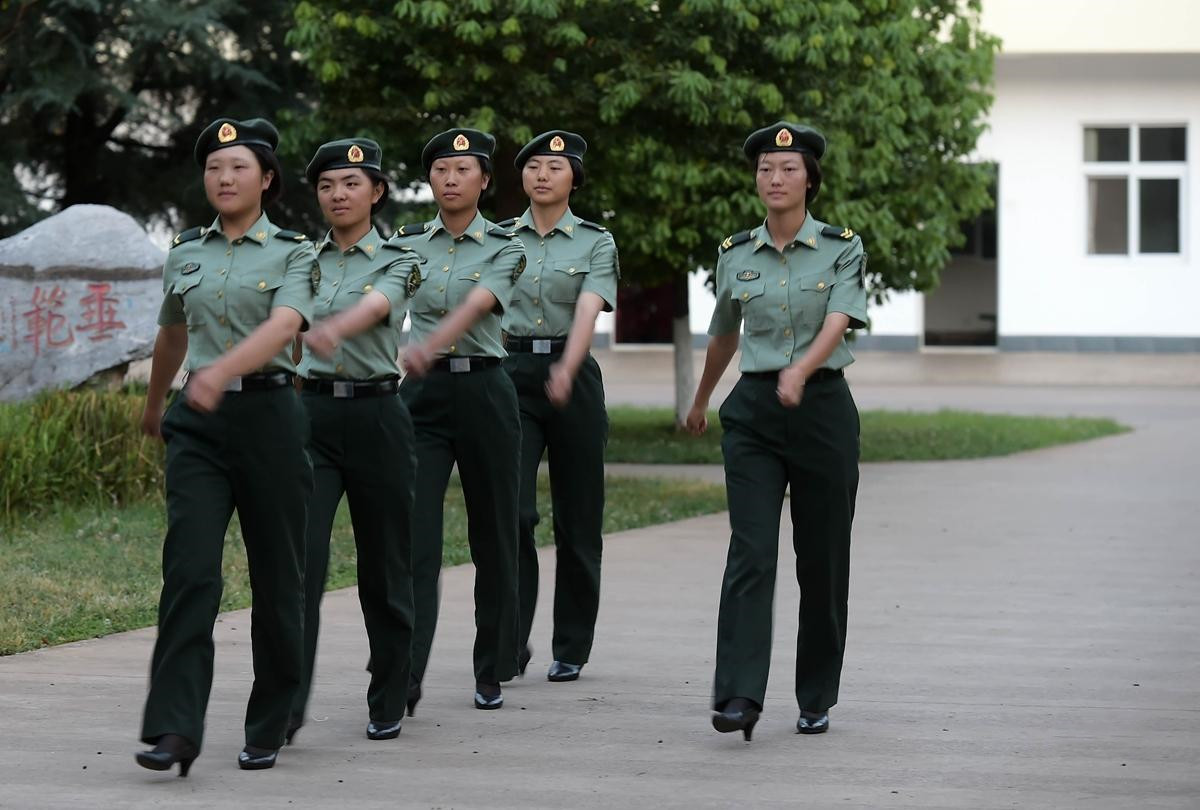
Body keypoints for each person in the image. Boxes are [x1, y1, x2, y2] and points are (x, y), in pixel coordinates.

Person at [136, 117, 317, 774]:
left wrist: (222, 369)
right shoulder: (185, 251)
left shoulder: (296, 252)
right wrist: (157, 405)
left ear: (266, 179)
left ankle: (269, 721)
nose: (224, 178)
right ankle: (174, 729)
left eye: (238, 167)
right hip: (198, 428)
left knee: (277, 580)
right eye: (214, 167)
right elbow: (173, 336)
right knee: (190, 574)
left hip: (270, 416)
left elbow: (286, 326)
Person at [686, 122, 868, 740]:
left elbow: (841, 317)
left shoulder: (842, 246)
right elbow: (724, 331)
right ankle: (737, 694)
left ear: (810, 179)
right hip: (755, 415)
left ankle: (815, 694)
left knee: (821, 561)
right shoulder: (736, 252)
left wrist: (803, 369)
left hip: (821, 412)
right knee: (751, 552)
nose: (775, 179)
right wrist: (702, 398)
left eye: (788, 169)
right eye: (765, 169)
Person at [289, 138, 423, 743]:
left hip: (378, 418)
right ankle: (284, 705)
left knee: (386, 567)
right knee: (299, 563)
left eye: (350, 183)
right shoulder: (300, 261)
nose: (338, 195)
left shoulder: (399, 258)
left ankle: (389, 695)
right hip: (310, 420)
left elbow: (380, 305)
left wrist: (332, 326)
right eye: (326, 186)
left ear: (376, 192)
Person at [394, 128, 526, 711]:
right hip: (420, 397)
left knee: (494, 532)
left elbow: (480, 304)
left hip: (486, 391)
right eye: (441, 170)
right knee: (412, 538)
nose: (450, 179)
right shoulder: (404, 246)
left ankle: (492, 665)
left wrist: (431, 343)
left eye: (463, 170)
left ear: (484, 181)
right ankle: (405, 671)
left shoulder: (505, 245)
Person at [498, 130, 618, 683]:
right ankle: (509, 639)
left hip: (574, 377)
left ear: (574, 178)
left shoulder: (596, 242)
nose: (541, 175)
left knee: (579, 518)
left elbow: (590, 309)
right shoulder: (496, 240)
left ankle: (572, 645)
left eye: (555, 166)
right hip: (508, 375)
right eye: (532, 167)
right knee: (512, 514)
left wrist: (568, 368)